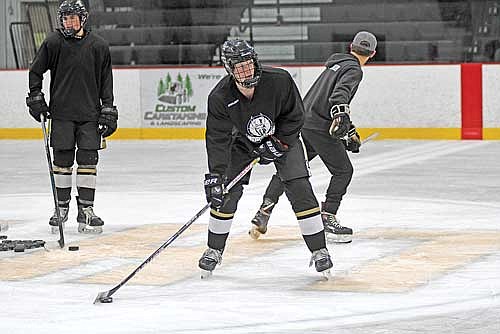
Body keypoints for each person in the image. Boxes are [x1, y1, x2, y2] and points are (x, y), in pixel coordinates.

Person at [199, 39, 332, 277]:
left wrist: (280, 141)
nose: (246, 70)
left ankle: (320, 250)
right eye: (238, 67)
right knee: (226, 193)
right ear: (229, 69)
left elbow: (296, 116)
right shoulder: (219, 96)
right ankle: (213, 249)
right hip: (242, 145)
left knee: (299, 186)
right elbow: (217, 139)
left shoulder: (279, 80)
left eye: (248, 64)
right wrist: (216, 176)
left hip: (283, 138)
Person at [249, 31, 377, 244]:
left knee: (292, 168)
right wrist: (341, 116)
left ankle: (263, 212)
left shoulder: (334, 65)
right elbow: (339, 96)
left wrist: (347, 131)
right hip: (320, 126)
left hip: (305, 123)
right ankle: (327, 217)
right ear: (372, 53)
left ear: (350, 46)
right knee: (343, 171)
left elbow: (325, 101)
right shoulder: (354, 68)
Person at [26, 0, 117, 234]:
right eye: (65, 18)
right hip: (62, 114)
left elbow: (106, 80)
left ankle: (86, 209)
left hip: (90, 115)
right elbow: (36, 70)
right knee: (62, 163)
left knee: (88, 162)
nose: (69, 22)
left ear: (83, 19)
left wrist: (108, 108)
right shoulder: (53, 42)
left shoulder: (99, 46)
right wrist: (36, 96)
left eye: (73, 17)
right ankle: (61, 208)